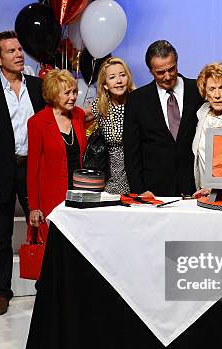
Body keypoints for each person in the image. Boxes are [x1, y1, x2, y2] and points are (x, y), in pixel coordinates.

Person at [0, 31, 45, 316]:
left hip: (34, 168)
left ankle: (45, 286)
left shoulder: (40, 88)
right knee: (0, 234)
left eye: (19, 49)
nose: (18, 54)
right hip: (1, 171)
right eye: (11, 50)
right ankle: (1, 292)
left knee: (41, 229)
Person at [123, 40, 203, 197]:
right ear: (150, 71)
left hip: (194, 188)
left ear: (176, 63)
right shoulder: (137, 100)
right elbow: (132, 152)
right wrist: (139, 190)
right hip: (154, 191)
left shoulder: (198, 90)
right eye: (160, 72)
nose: (167, 76)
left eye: (171, 69)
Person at [27, 70, 87, 241]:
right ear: (53, 94)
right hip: (52, 198)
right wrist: (34, 206)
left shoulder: (79, 115)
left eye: (74, 92)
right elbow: (33, 168)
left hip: (79, 196)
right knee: (55, 249)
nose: (73, 97)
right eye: (67, 93)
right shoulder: (37, 122)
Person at [191, 63, 222, 192]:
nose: (217, 95)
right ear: (205, 92)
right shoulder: (201, 114)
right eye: (212, 89)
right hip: (201, 190)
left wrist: (215, 189)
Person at [90, 57, 136, 194]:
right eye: (112, 77)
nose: (119, 81)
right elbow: (76, 118)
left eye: (123, 75)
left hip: (137, 176)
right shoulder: (100, 106)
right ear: (105, 84)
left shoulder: (138, 101)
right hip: (110, 179)